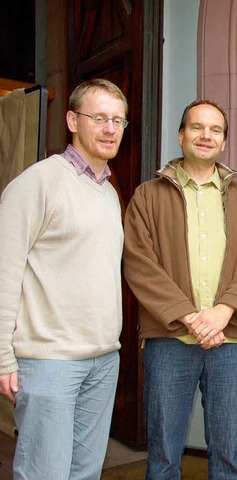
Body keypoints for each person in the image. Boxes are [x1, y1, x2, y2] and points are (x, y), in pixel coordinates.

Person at [123, 100, 237, 479]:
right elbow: (140, 262)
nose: (206, 135)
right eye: (197, 127)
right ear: (180, 135)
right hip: (170, 339)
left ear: (223, 141)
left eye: (215, 130)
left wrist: (222, 313)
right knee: (164, 453)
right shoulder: (148, 195)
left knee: (227, 454)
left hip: (230, 341)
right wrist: (190, 317)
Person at [0, 78, 128, 479]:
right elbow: (5, 271)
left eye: (119, 121)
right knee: (45, 473)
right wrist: (3, 356)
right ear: (73, 120)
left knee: (85, 473)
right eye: (100, 118)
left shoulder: (108, 192)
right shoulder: (37, 183)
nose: (110, 129)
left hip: (103, 359)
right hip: (49, 361)